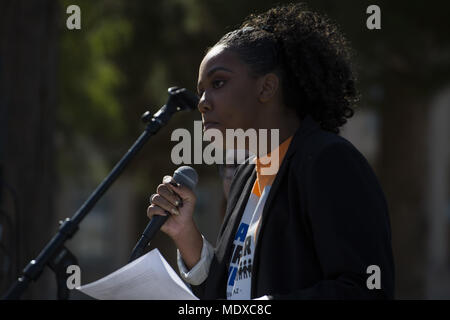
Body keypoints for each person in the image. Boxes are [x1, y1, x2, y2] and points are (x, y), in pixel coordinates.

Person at [146, 3, 395, 300]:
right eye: (200, 90)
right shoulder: (247, 176)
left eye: (218, 83)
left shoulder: (328, 161)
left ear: (266, 88)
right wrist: (185, 233)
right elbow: (230, 294)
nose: (202, 102)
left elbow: (366, 288)